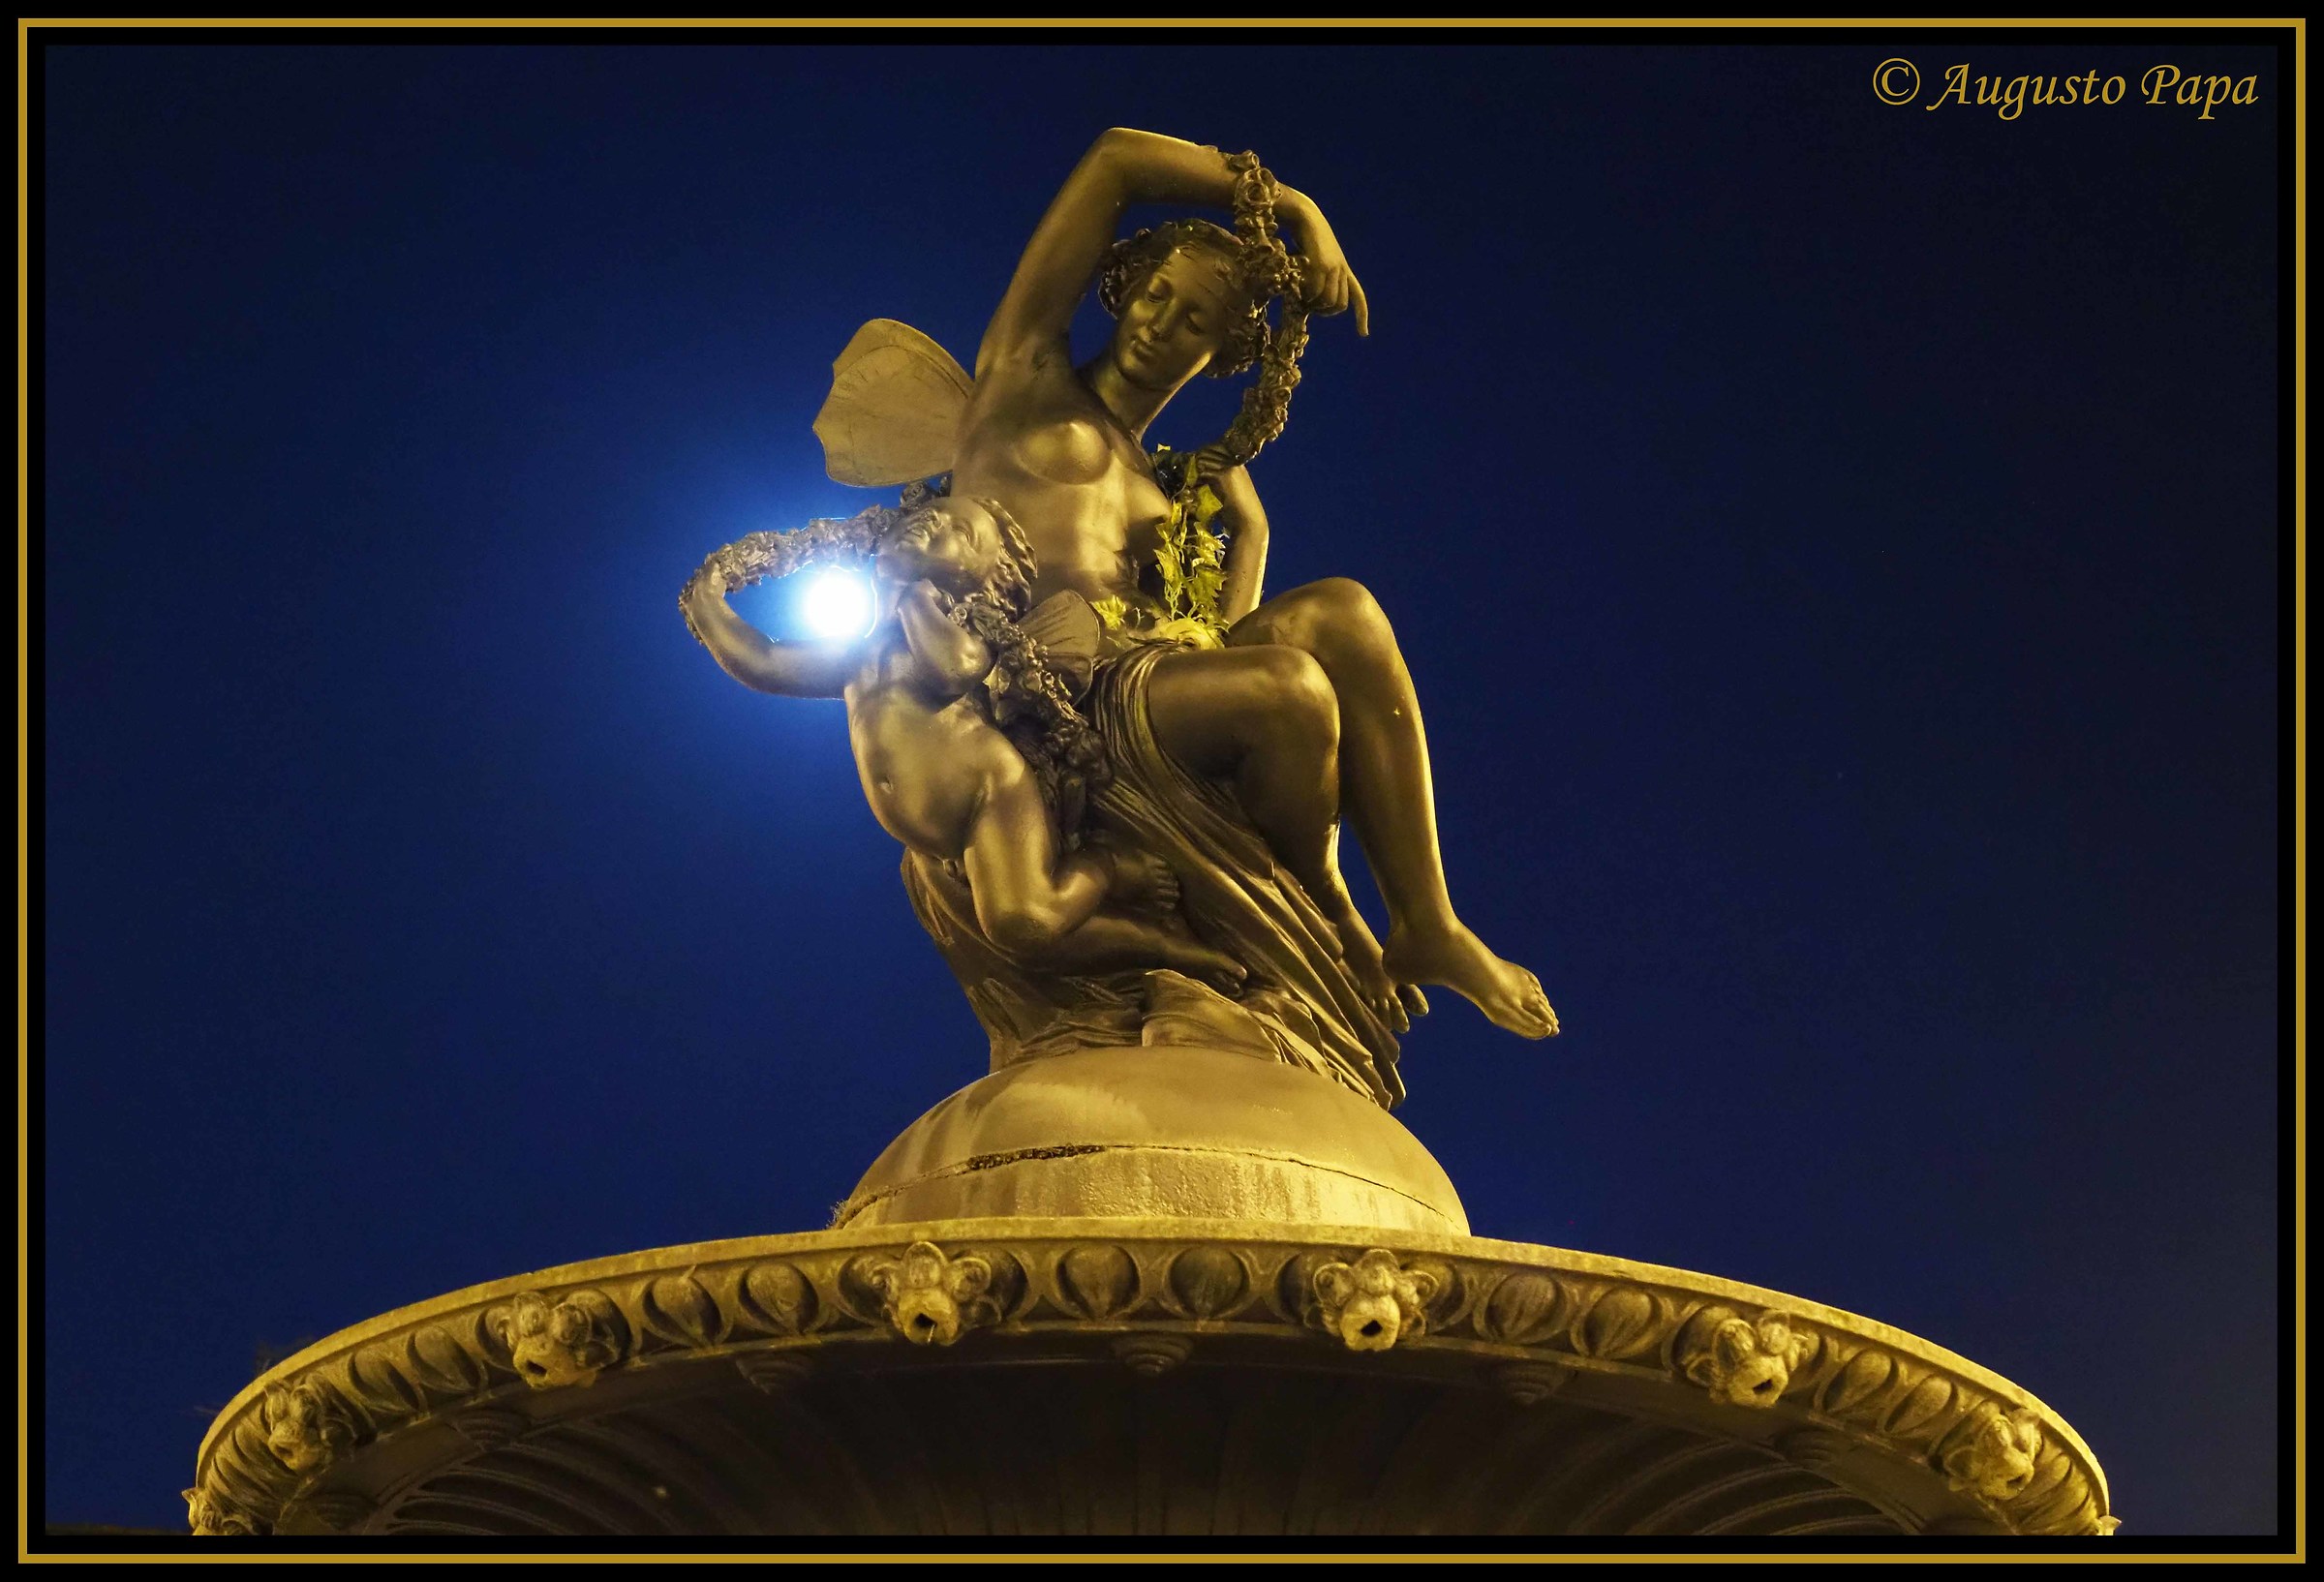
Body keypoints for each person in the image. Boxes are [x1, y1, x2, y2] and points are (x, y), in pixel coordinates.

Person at [945, 128, 1558, 1041]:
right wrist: (1294, 209)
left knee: (1344, 611)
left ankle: (1428, 922)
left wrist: (1253, 537)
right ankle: (1325, 898)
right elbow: (1116, 160)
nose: (1160, 325)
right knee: (1286, 692)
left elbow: (1210, 639)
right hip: (1064, 696)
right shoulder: (1023, 377)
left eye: (1194, 321)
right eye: (1156, 294)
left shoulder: (1161, 489)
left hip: (1152, 683)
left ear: (1220, 353)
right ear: (1125, 289)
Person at [679, 494, 1244, 992]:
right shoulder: (860, 653)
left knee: (1026, 922)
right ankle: (1161, 948)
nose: (934, 522)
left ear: (979, 580)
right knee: (1021, 933)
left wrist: (909, 591)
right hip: (942, 827)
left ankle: (1111, 869)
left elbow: (953, 670)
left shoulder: (963, 627)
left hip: (989, 791)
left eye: (960, 531)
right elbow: (768, 660)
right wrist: (710, 607)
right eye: (929, 514)